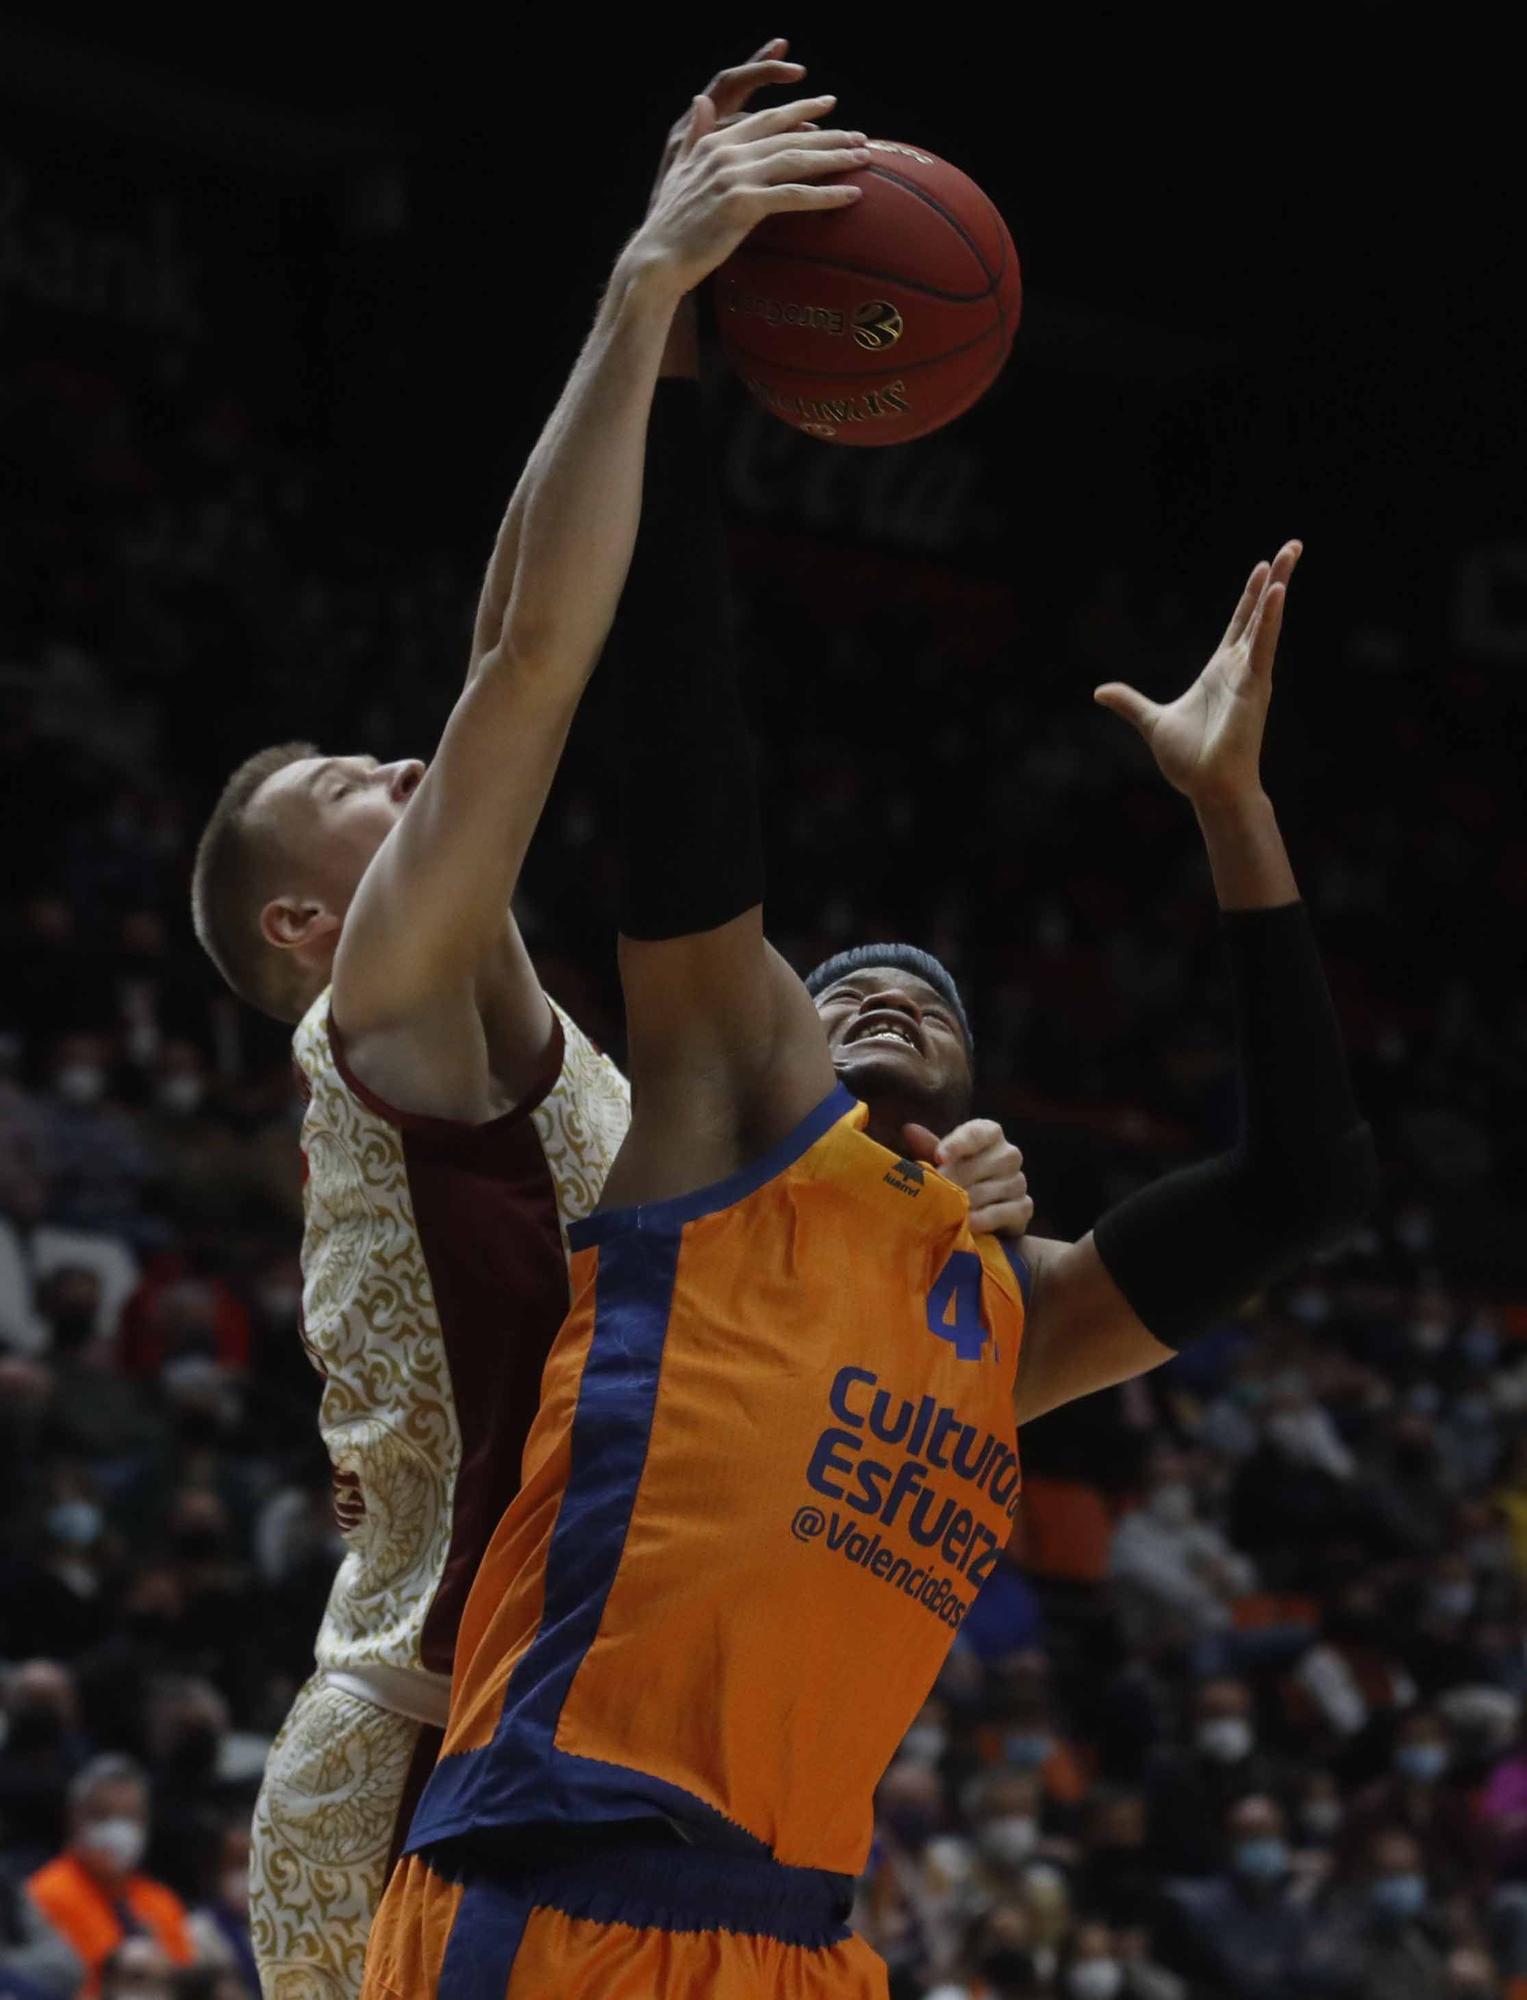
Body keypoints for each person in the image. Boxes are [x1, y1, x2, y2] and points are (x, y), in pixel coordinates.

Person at [360, 156, 1374, 2000]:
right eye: (848, 989)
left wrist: (1232, 816)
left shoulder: (1015, 1309)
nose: (887, 998)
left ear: (984, 1072)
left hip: (809, 1947)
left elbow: (1302, 1185)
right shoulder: (735, 1116)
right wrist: (664, 324)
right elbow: (683, 751)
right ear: (781, 1033)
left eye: (927, 995)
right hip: (560, 1886)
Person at [189, 43, 1030, 2000]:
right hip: (423, 1764)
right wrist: (642, 292)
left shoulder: (561, 1066)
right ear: (310, 921)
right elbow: (525, 657)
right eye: (335, 767)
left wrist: (941, 1215)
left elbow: (509, 634)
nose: (390, 750)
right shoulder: (378, 1013)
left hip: (567, 1737)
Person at [24, 1756, 194, 1997]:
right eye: (103, 1815)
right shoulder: (44, 1895)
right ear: (74, 1818)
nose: (118, 1829)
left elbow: (185, 1985)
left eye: (130, 1817)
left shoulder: (162, 1902)